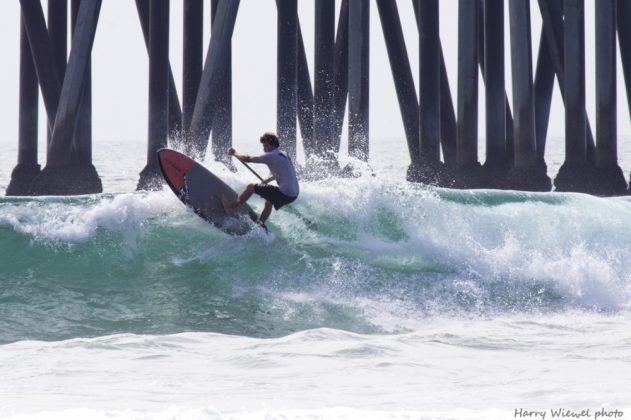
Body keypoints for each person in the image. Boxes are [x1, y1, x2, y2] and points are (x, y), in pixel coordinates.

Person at [222, 132, 299, 224]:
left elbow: (248, 158)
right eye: (263, 145)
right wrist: (267, 180)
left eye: (266, 145)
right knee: (269, 201)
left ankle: (231, 207)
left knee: (251, 187)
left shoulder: (271, 155)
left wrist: (234, 153)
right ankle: (260, 223)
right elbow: (282, 172)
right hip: (293, 195)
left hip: (284, 193)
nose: (264, 148)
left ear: (273, 145)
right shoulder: (284, 154)